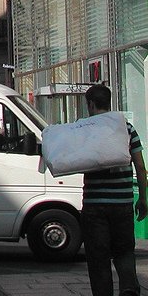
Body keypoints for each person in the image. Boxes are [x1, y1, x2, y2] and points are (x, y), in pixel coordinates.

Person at [81, 83, 148, 296]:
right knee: (125, 252)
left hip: (94, 206)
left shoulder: (83, 128)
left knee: (98, 258)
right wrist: (143, 198)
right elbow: (140, 167)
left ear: (91, 104)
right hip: (122, 204)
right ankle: (128, 290)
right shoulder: (127, 128)